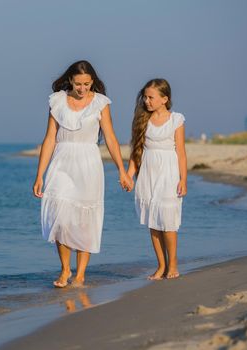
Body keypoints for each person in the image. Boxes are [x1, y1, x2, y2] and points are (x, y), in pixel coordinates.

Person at [33, 60, 131, 288]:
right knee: (60, 218)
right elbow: (49, 138)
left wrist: (122, 170)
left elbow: (111, 138)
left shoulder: (101, 103)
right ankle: (65, 269)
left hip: (88, 163)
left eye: (87, 84)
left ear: (92, 82)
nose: (82, 88)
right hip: (61, 162)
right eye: (78, 84)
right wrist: (39, 175)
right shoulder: (57, 101)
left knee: (85, 221)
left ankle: (80, 274)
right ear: (70, 81)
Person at [127, 78, 187, 280]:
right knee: (153, 221)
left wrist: (183, 180)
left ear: (164, 99)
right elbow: (136, 151)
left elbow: (181, 152)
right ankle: (161, 266)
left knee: (168, 221)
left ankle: (173, 264)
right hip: (148, 173)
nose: (146, 101)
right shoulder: (143, 119)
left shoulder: (176, 119)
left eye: (151, 97)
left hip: (169, 173)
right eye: (145, 97)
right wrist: (128, 175)